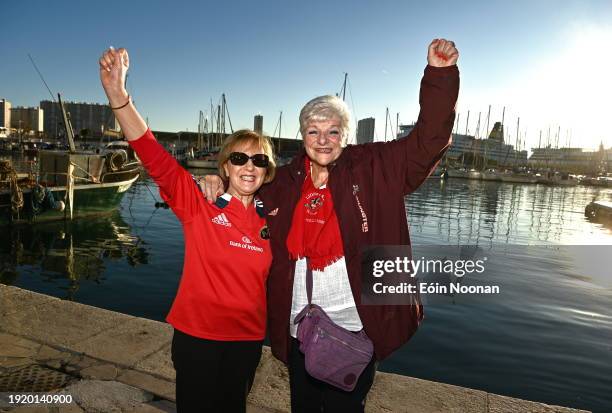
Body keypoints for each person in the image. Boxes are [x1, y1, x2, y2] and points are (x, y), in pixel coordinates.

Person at [200, 38, 459, 412]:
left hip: (357, 329)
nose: (323, 141)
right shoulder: (284, 182)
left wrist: (440, 76)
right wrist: (218, 183)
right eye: (313, 131)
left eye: (333, 131)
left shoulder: (375, 167)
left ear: (346, 135)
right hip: (299, 332)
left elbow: (429, 140)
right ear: (302, 135)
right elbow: (246, 189)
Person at [99, 47, 276, 413]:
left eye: (259, 160)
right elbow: (155, 157)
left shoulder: (273, 218)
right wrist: (119, 96)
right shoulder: (200, 205)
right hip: (198, 337)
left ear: (267, 171)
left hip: (247, 341)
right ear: (224, 166)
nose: (249, 166)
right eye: (239, 158)